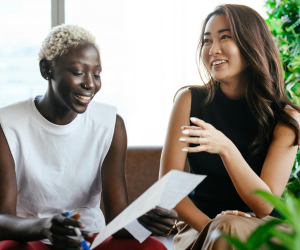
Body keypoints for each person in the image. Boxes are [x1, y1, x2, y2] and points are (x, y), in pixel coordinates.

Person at [0, 24, 177, 250]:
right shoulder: (7, 124)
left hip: (90, 237)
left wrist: (146, 222)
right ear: (47, 69)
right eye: (77, 72)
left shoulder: (111, 124)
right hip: (32, 236)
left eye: (96, 74)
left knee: (153, 247)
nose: (90, 84)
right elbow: (3, 217)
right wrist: (44, 227)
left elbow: (117, 218)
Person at [159, 4, 300, 250]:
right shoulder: (190, 101)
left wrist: (226, 149)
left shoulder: (286, 118)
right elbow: (170, 191)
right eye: (206, 41)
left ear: (252, 44)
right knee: (226, 228)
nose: (213, 49)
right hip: (200, 227)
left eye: (225, 37)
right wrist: (215, 228)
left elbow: (264, 205)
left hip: (262, 227)